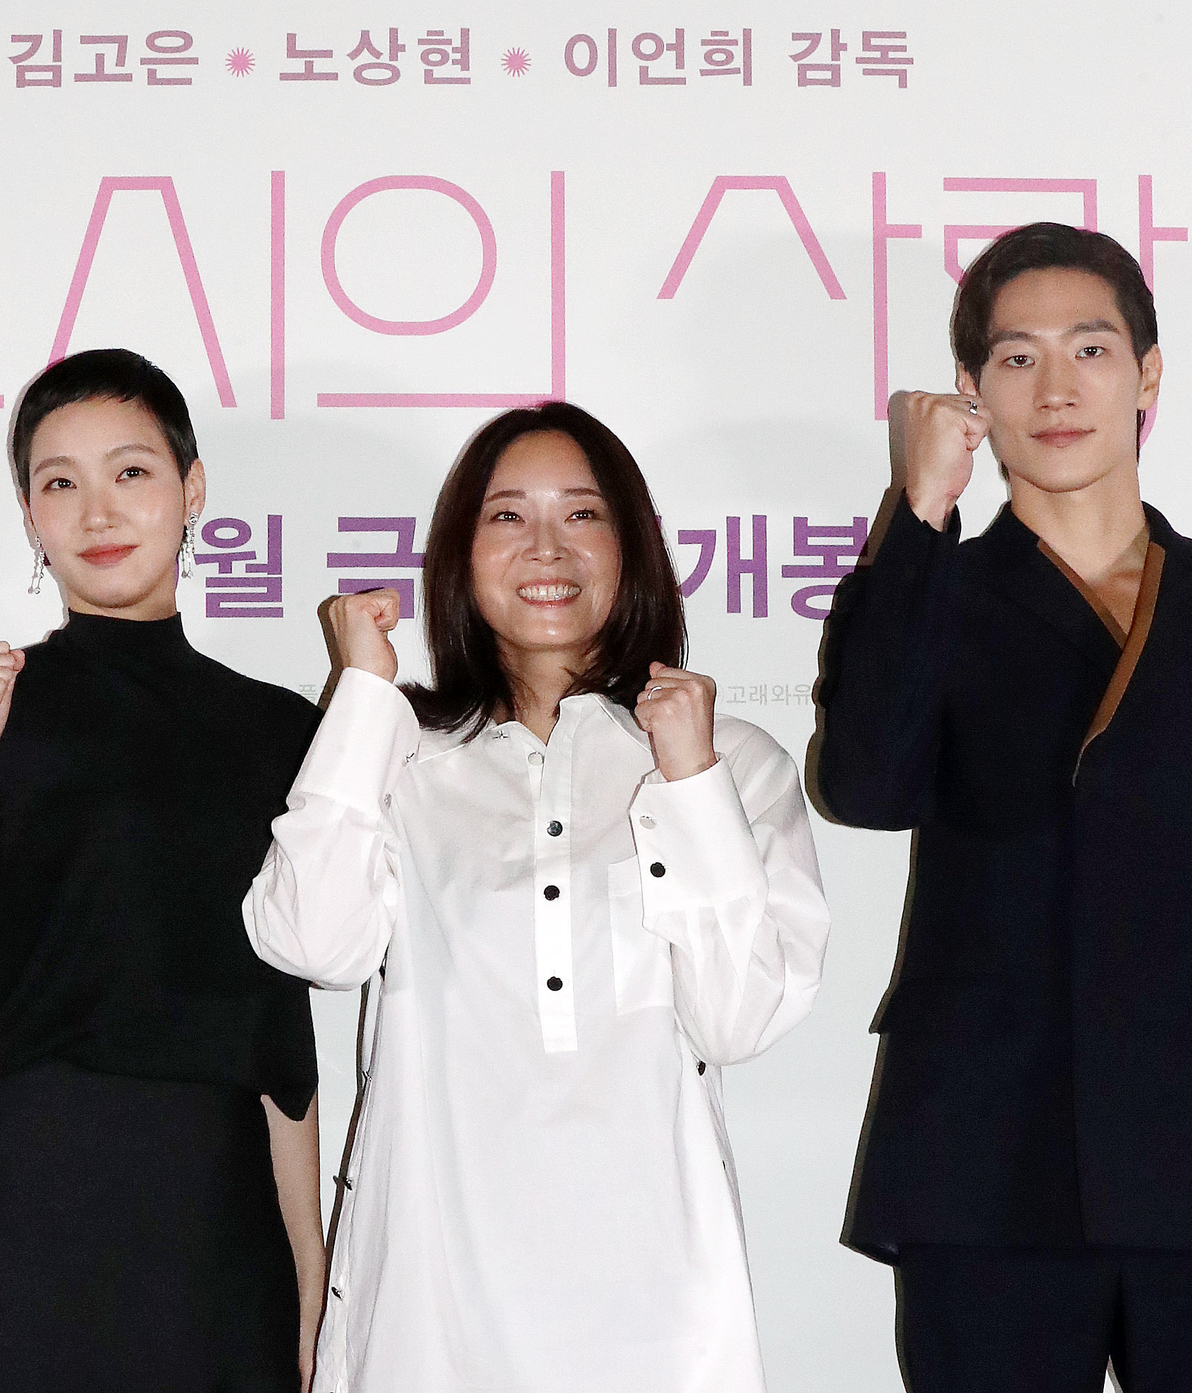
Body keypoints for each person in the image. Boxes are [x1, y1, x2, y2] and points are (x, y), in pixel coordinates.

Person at [816, 223, 1192, 1391]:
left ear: (1146, 373)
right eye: (1015, 357)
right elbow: (864, 787)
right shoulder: (929, 594)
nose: (1055, 386)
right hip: (986, 1155)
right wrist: (916, 509)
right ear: (972, 391)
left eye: (1088, 348)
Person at [244, 402, 832, 1393]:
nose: (545, 547)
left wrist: (689, 782)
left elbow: (737, 1017)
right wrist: (360, 698)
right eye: (507, 517)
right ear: (460, 558)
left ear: (632, 545)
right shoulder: (406, 759)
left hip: (659, 1318)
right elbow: (309, 940)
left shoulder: (733, 760)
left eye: (582, 515)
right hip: (433, 1319)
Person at [0, 348, 327, 1391]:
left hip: (214, 1220)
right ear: (29, 514)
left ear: (190, 488)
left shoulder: (283, 735)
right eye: (57, 482)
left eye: (130, 472)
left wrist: (306, 1275)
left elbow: (278, 1044)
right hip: (28, 1207)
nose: (95, 511)